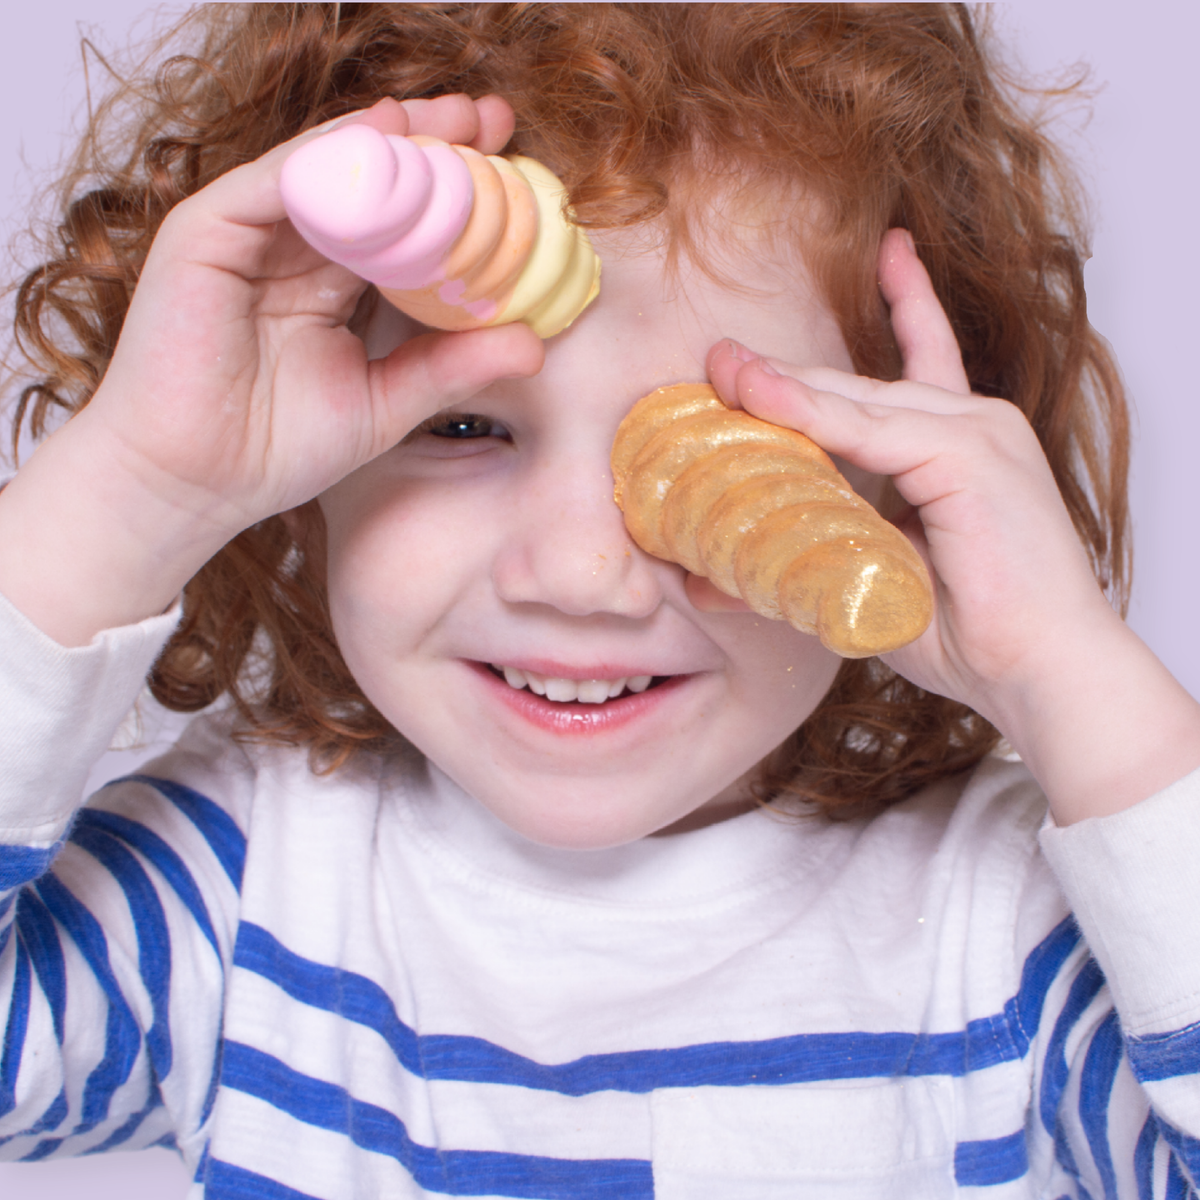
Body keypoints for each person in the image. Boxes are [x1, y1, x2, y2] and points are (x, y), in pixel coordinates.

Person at [1, 4, 1198, 1196]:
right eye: (459, 424)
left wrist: (1064, 671)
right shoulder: (243, 886)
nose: (581, 575)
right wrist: (137, 485)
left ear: (907, 481)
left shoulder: (1006, 932)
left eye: (730, 445)